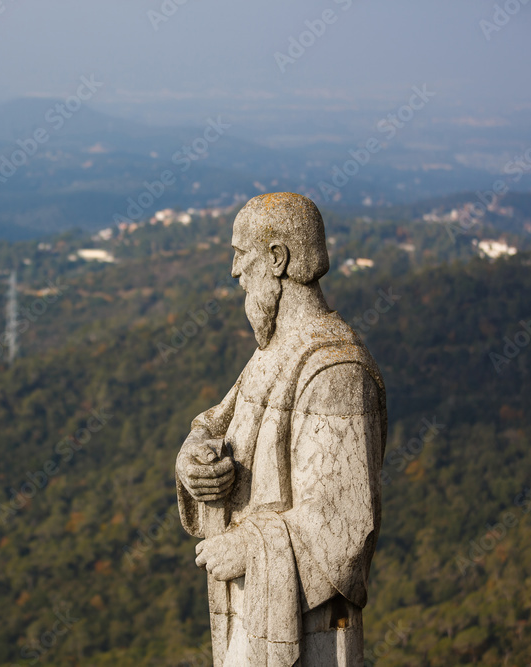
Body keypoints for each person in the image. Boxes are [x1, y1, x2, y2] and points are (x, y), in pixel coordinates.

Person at [175, 193, 387, 666]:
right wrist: (193, 456)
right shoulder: (277, 349)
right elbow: (216, 420)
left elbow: (346, 526)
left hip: (308, 636)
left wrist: (249, 546)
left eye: (240, 254)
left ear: (277, 258)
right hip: (253, 619)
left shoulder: (335, 372)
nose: (234, 272)